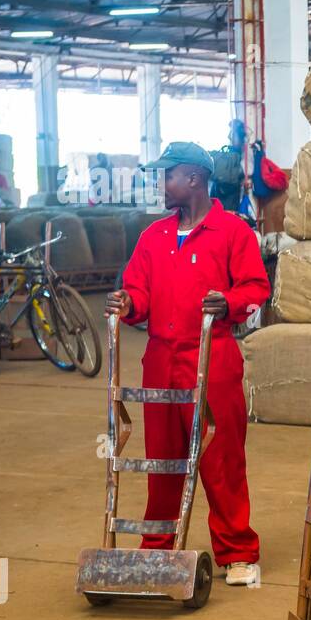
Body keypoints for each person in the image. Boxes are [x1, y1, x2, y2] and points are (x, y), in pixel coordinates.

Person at [104, 142, 270, 586]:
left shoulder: (232, 232)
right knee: (162, 461)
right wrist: (126, 303)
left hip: (212, 357)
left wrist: (229, 301)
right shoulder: (153, 237)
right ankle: (158, 549)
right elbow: (138, 292)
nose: (161, 184)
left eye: (167, 175)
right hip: (161, 359)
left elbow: (256, 288)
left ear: (193, 179)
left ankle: (237, 553)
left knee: (221, 460)